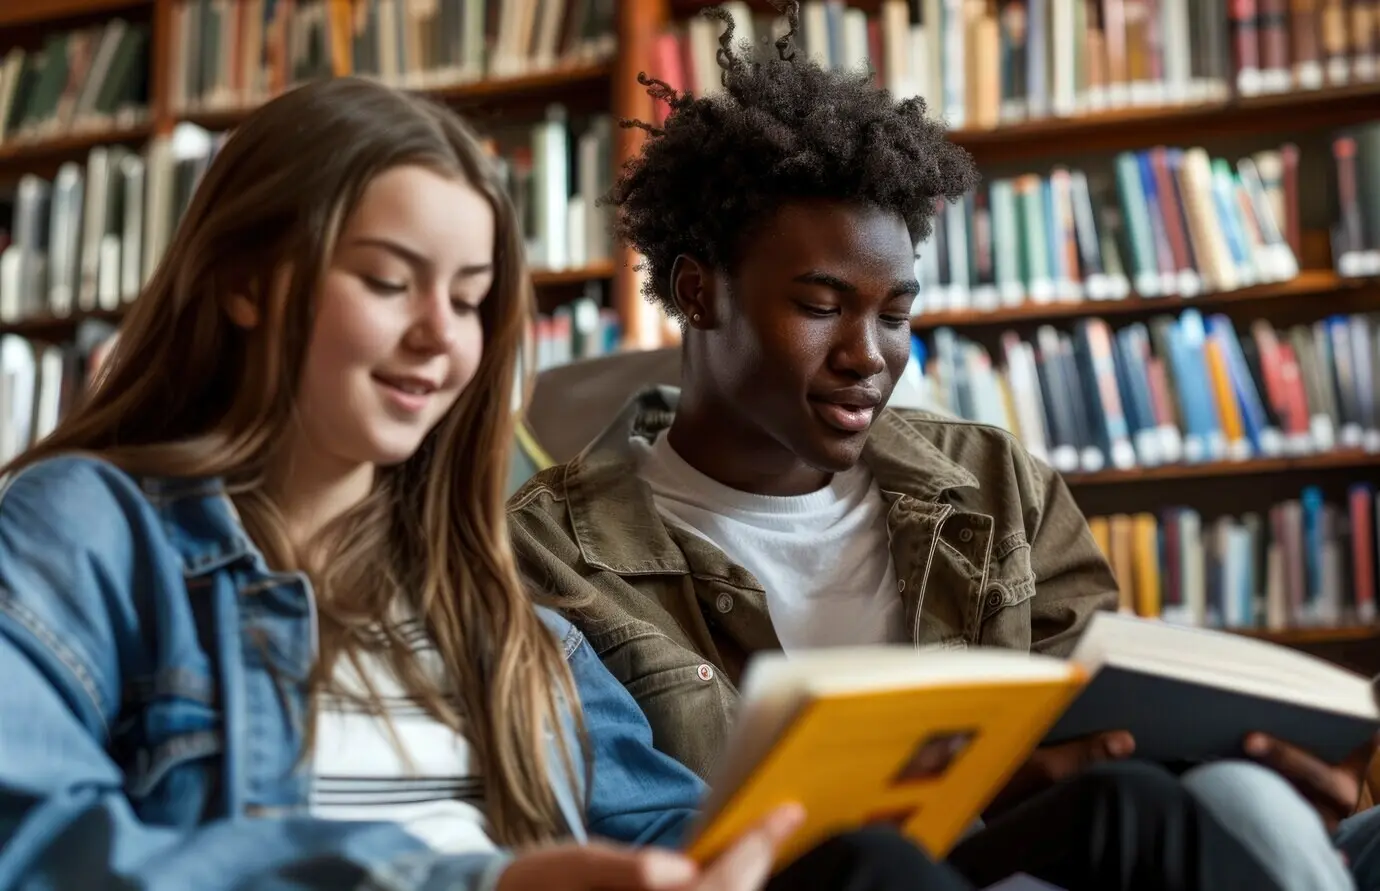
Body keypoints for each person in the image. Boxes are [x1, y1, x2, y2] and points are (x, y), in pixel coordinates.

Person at [0, 75, 999, 891]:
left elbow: (670, 828)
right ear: (247, 283)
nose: (441, 337)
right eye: (390, 282)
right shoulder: (84, 531)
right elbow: (36, 846)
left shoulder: (491, 596)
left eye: (472, 300)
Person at [505, 2, 1371, 889]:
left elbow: (1109, 727)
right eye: (820, 305)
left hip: (1040, 863)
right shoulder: (552, 554)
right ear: (698, 293)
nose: (869, 356)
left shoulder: (998, 485)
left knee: (1208, 805)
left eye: (896, 313)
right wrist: (980, 796)